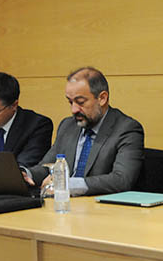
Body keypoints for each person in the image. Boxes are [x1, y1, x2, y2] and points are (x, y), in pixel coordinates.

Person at [28, 67, 144, 196]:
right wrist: (26, 175)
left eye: (80, 102)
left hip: (100, 210)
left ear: (102, 98)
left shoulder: (127, 129)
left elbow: (122, 180)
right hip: (62, 205)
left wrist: (68, 184)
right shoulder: (68, 125)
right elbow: (48, 167)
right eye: (70, 102)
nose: (74, 109)